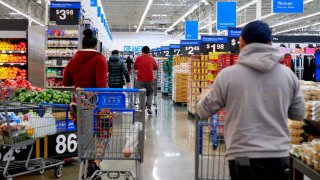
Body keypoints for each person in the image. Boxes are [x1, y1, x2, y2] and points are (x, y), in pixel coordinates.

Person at [196, 20, 305, 180]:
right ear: (269, 43)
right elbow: (298, 114)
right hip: (278, 155)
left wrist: (205, 94)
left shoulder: (228, 76)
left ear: (241, 43)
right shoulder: (288, 75)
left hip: (242, 155)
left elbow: (202, 111)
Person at [63, 29, 107, 178]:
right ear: (95, 46)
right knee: (104, 132)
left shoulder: (74, 59)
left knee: (84, 136)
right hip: (95, 104)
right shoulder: (100, 59)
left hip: (77, 104)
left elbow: (66, 82)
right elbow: (101, 86)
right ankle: (95, 164)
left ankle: (87, 165)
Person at [134, 46, 158, 114]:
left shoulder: (138, 58)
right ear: (149, 52)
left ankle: (142, 108)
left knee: (141, 93)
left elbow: (135, 67)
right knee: (150, 92)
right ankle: (148, 107)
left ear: (142, 51)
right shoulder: (152, 58)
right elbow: (156, 67)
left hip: (140, 78)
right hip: (150, 78)